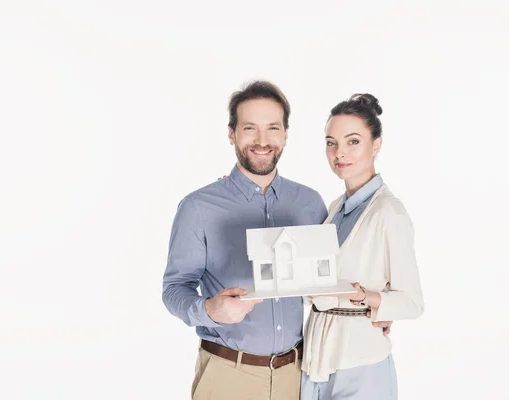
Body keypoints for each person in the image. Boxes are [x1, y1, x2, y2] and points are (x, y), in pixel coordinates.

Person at [162, 80, 330, 400]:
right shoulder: (198, 208)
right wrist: (209, 309)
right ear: (232, 134)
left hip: (296, 377)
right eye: (250, 128)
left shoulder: (310, 203)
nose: (262, 141)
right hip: (227, 377)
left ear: (285, 134)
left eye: (273, 128)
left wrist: (372, 310)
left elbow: (330, 278)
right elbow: (173, 289)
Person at [300, 94, 425, 400]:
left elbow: (412, 302)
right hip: (315, 360)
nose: (339, 153)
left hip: (361, 363)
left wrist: (366, 298)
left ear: (376, 145)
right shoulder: (333, 210)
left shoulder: (389, 213)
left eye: (352, 141)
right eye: (331, 143)